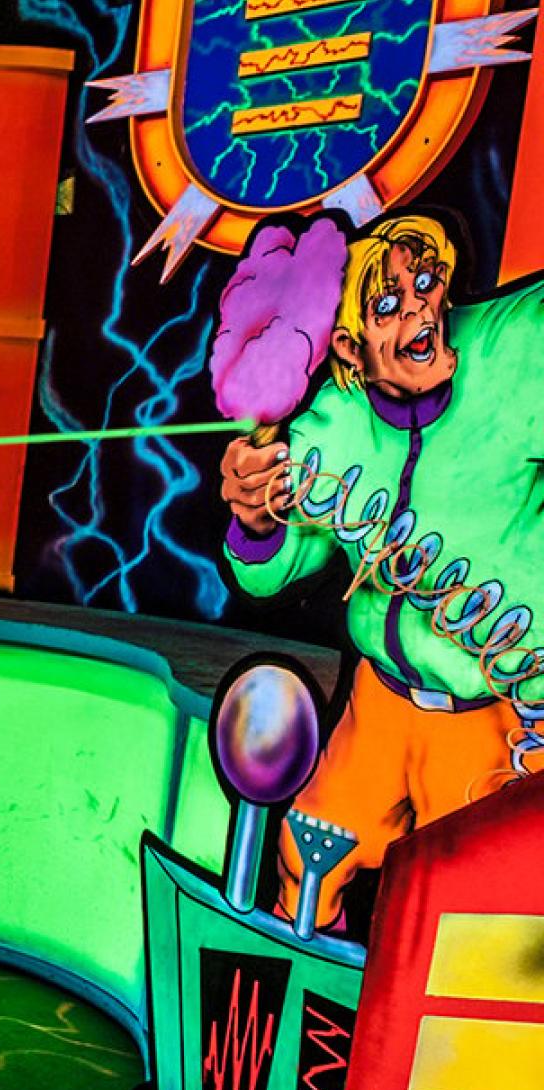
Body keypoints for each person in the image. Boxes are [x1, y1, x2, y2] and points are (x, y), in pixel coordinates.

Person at [215, 212, 544, 934]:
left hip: (486, 719)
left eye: (426, 283)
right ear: (348, 346)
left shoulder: (516, 351)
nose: (422, 311)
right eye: (388, 304)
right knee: (308, 865)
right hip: (378, 709)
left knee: (460, 915)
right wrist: (257, 520)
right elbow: (272, 574)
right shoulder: (331, 425)